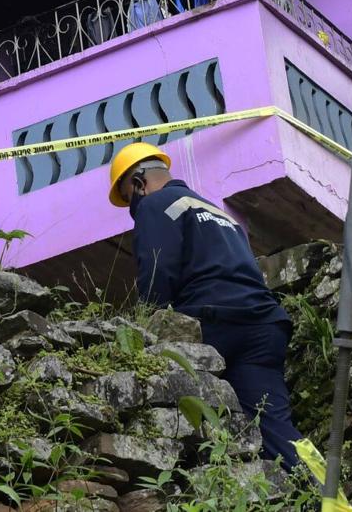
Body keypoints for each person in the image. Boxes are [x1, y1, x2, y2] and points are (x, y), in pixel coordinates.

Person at [109, 141, 302, 470]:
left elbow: (158, 268)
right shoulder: (217, 213)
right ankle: (327, 497)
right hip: (264, 326)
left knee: (183, 411)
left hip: (215, 322)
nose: (133, 207)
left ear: (140, 183)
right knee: (278, 427)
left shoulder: (157, 204)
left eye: (129, 197)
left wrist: (149, 330)